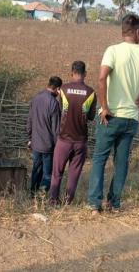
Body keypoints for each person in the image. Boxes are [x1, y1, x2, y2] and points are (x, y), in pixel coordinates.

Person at [88, 14, 139, 214]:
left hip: (110, 117)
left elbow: (101, 79)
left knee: (100, 158)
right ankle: (114, 203)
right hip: (130, 119)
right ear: (138, 32)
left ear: (123, 31)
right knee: (121, 163)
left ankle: (94, 203)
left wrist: (104, 107)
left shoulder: (113, 51)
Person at [49, 61, 97, 204]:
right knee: (74, 174)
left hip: (63, 140)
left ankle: (53, 200)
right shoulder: (91, 93)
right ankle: (67, 202)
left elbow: (61, 110)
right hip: (80, 141)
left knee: (57, 173)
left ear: (71, 73)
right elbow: (91, 116)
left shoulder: (63, 90)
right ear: (85, 74)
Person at [27, 76, 63, 195]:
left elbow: (30, 120)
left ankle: (32, 194)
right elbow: (56, 129)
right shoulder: (54, 103)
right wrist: (58, 145)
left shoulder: (36, 98)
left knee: (36, 169)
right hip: (48, 145)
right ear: (58, 89)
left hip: (36, 142)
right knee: (48, 173)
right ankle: (42, 195)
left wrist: (29, 138)